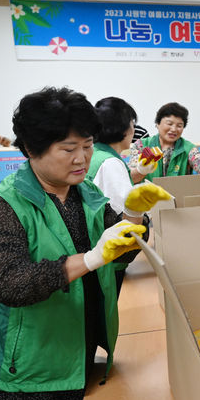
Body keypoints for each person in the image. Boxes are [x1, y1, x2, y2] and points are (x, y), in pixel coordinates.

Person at [0, 87, 171, 400]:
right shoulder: (6, 204)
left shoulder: (85, 192)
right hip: (31, 366)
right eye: (68, 149)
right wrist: (90, 259)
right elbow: (10, 283)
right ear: (31, 149)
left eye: (87, 146)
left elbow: (121, 254)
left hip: (80, 350)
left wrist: (132, 215)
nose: (82, 159)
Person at [87, 97, 149, 294]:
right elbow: (124, 217)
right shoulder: (111, 163)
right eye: (132, 124)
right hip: (108, 259)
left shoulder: (96, 154)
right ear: (123, 129)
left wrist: (138, 172)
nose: (133, 130)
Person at [127, 102, 200, 183]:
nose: (174, 129)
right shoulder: (141, 145)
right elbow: (131, 179)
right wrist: (141, 170)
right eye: (169, 124)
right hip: (147, 200)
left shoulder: (188, 147)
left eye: (179, 125)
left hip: (178, 200)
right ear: (157, 124)